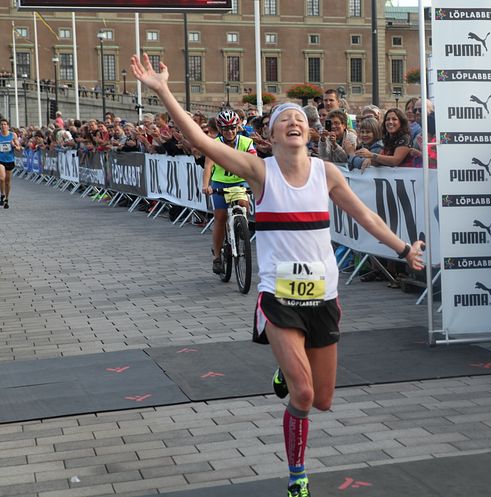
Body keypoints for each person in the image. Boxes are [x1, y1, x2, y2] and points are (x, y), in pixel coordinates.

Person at [131, 53, 424, 497]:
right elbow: (203, 143)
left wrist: (404, 249)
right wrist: (163, 91)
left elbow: (365, 215)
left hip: (324, 297)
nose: (293, 122)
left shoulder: (326, 173)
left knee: (323, 399)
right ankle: (297, 476)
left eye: (300, 119)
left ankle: (285, 376)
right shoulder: (259, 171)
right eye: (283, 119)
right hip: (279, 298)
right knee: (304, 395)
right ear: (270, 134)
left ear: (310, 131)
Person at [201, 109, 256, 274]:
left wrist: (257, 182)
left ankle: (241, 230)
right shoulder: (214, 143)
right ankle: (217, 256)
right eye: (225, 129)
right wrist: (206, 185)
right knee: (220, 217)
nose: (229, 131)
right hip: (220, 183)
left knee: (243, 204)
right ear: (220, 129)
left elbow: (254, 162)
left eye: (232, 128)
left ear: (237, 126)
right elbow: (208, 166)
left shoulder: (246, 142)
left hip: (240, 182)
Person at [0, 118, 21, 209]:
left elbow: (19, 148)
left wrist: (14, 146)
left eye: (5, 124)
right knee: (1, 178)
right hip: (0, 160)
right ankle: (2, 195)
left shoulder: (13, 135)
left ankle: (7, 199)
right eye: (1, 124)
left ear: (8, 126)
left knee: (7, 181)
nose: (3, 126)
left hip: (9, 160)